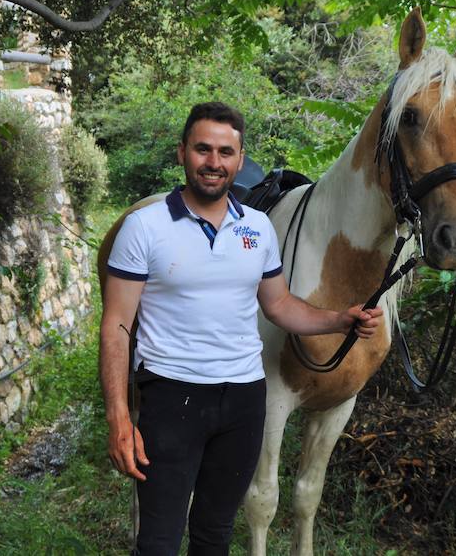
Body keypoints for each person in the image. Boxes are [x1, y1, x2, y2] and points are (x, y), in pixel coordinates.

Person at [100, 102, 384, 555]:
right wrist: (118, 415)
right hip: (173, 397)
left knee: (214, 536)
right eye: (203, 149)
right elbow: (116, 325)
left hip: (243, 404)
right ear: (182, 153)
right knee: (158, 540)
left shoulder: (257, 227)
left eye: (225, 152)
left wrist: (338, 319)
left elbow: (279, 306)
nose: (214, 163)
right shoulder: (144, 227)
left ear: (239, 158)